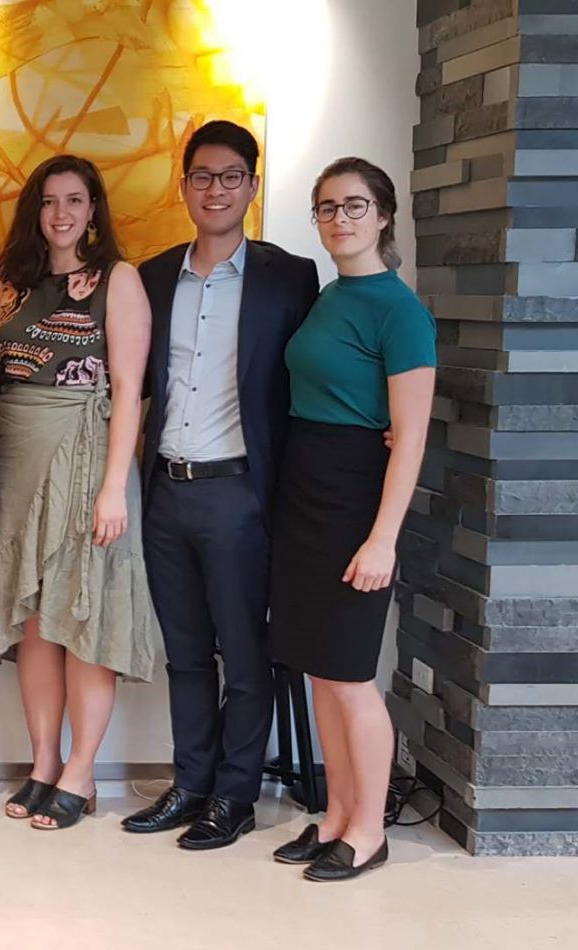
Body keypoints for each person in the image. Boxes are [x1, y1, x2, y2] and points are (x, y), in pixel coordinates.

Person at [122, 121, 322, 849]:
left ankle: (235, 796)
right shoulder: (150, 277)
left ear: (253, 187)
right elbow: (130, 385)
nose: (215, 189)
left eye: (231, 176)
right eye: (202, 176)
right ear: (183, 188)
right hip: (165, 491)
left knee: (243, 654)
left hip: (240, 493)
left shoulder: (290, 276)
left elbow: (317, 375)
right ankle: (190, 784)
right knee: (183, 654)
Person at [268, 158, 435, 882]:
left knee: (349, 676)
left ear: (385, 215)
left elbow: (412, 435)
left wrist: (382, 538)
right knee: (318, 671)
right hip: (306, 491)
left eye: (355, 206)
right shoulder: (332, 296)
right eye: (328, 208)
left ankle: (369, 829)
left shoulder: (401, 311)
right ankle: (336, 814)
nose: (341, 219)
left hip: (355, 500)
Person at [0, 155, 157, 831]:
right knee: (34, 618)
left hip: (89, 458)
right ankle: (44, 762)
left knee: (82, 616)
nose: (61, 214)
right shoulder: (8, 282)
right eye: (49, 201)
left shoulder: (119, 280)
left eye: (75, 200)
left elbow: (128, 392)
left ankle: (82, 772)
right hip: (17, 457)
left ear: (93, 208)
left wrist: (114, 487)